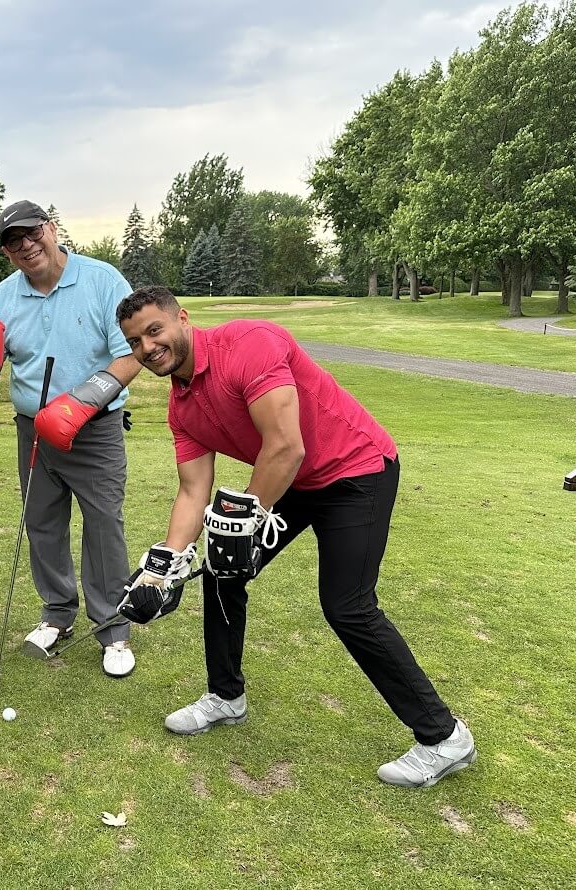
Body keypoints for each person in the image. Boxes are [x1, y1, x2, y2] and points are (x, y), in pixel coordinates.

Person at [114, 286, 476, 787]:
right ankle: (226, 696)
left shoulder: (250, 344)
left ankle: (444, 737)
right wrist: (164, 566)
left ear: (182, 318)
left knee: (348, 606)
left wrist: (244, 520)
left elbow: (286, 446)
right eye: (135, 342)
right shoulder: (182, 409)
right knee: (222, 572)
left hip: (357, 471)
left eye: (155, 330)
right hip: (296, 482)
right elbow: (193, 491)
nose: (148, 347)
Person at [0, 200, 140, 677]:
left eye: (31, 233)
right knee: (41, 521)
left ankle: (112, 627)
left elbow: (132, 354)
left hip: (95, 428)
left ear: (51, 228)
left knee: (103, 524)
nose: (26, 245)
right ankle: (57, 613)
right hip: (32, 428)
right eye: (12, 242)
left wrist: (82, 401)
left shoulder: (102, 281)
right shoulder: (3, 296)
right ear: (7, 253)